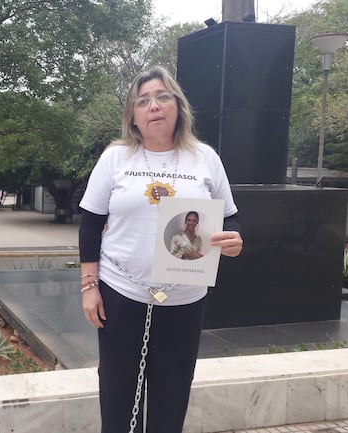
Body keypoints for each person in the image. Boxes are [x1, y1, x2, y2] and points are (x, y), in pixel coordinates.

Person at [78, 65, 243, 433]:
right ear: (133, 117)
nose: (154, 106)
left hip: (184, 299)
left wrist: (234, 240)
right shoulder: (116, 158)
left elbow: (230, 218)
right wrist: (90, 287)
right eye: (143, 101)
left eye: (162, 97)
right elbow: (90, 223)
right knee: (118, 398)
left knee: (171, 398)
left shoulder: (205, 158)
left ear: (178, 107)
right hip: (121, 295)